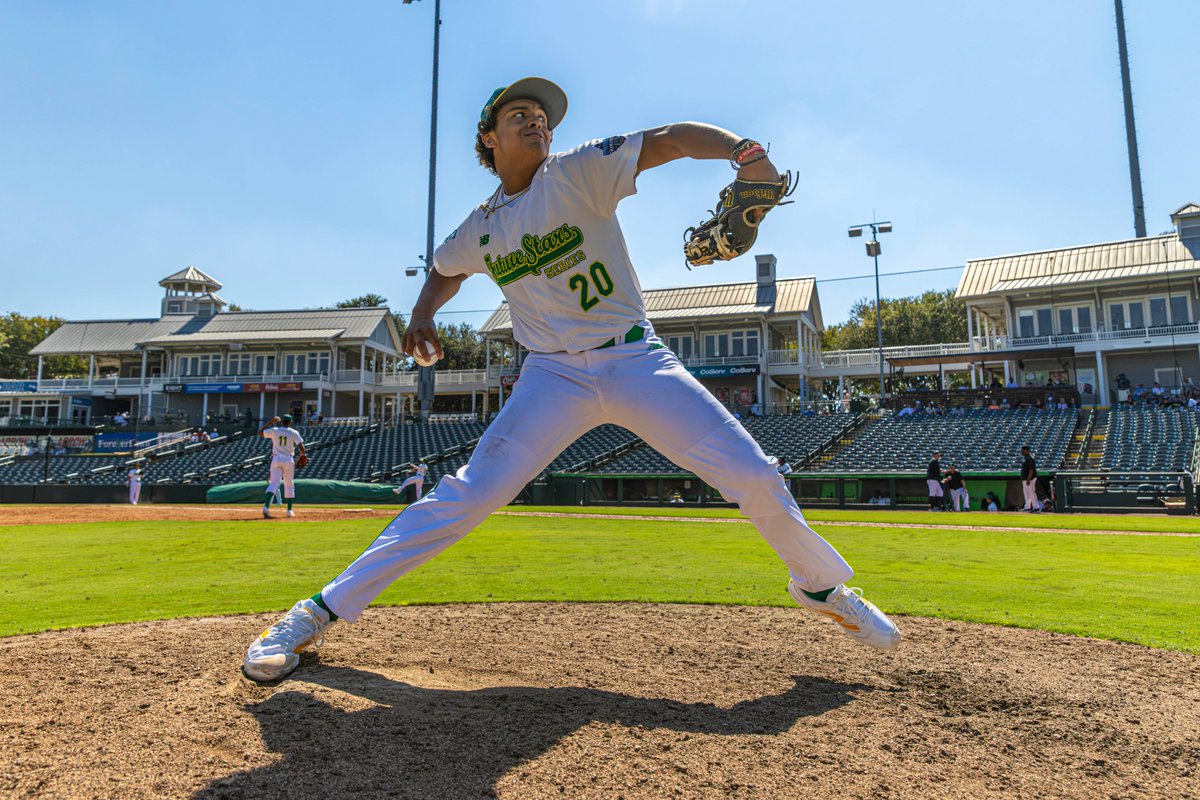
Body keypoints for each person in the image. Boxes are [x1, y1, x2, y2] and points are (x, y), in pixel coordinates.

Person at [243, 76, 900, 682]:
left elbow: (668, 139)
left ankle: (819, 585)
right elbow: (447, 265)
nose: (537, 122)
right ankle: (314, 613)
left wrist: (745, 150)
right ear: (489, 139)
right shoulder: (482, 226)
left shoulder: (580, 170)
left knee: (755, 474)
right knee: (466, 497)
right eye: (518, 114)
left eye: (543, 117)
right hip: (551, 377)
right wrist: (420, 316)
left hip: (635, 361)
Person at [260, 414, 305, 519]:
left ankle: (266, 507)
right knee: (289, 484)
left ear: (282, 422)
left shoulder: (275, 430)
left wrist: (272, 421)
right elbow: (301, 447)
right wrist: (303, 455)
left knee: (274, 484)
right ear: (290, 422)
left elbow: (260, 433)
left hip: (276, 459)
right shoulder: (294, 432)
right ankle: (289, 510)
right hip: (288, 459)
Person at [1020, 445, 1039, 512]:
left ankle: (1036, 507)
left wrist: (1028, 479)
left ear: (1027, 450)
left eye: (1022, 450)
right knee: (1026, 493)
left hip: (1030, 479)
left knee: (1031, 493)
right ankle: (1027, 507)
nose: (1021, 451)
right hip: (1025, 479)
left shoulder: (1030, 458)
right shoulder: (1025, 458)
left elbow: (1031, 470)